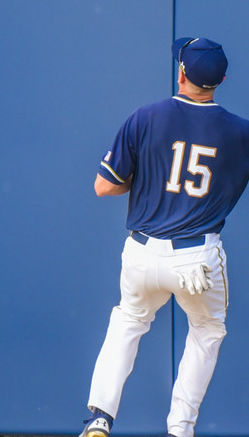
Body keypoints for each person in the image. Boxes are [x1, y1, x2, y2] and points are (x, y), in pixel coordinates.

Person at [80, 37, 249, 437]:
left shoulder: (146, 117)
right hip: (197, 258)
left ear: (181, 73)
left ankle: (100, 417)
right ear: (221, 80)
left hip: (142, 252)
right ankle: (180, 429)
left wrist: (146, 181)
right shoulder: (241, 133)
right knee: (207, 331)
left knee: (128, 321)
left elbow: (104, 187)